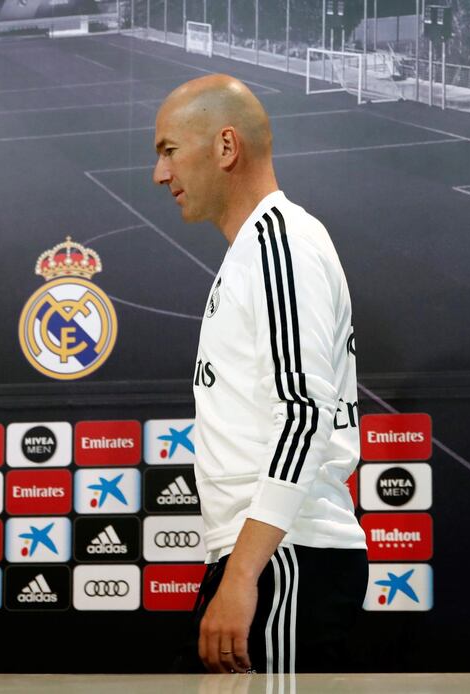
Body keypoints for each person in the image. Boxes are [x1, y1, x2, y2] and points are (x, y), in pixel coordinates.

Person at [153, 75, 368, 674]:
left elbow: (303, 414)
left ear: (226, 147)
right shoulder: (253, 251)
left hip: (284, 558)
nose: (160, 175)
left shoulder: (281, 243)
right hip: (267, 558)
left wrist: (244, 573)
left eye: (169, 151)